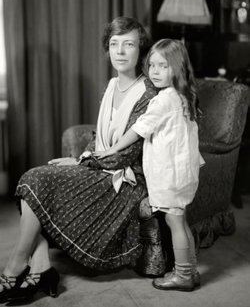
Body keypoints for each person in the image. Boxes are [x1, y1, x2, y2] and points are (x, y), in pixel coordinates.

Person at [0, 16, 158, 303]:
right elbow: (101, 137)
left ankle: (15, 266)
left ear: (141, 50)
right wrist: (83, 156)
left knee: (35, 180)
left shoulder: (148, 94)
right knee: (34, 178)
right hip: (102, 169)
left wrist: (82, 163)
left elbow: (127, 153)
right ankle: (41, 267)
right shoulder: (112, 86)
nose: (120, 52)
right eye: (114, 44)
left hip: (126, 182)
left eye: (129, 44)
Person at [94, 39, 205, 291]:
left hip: (170, 175)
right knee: (181, 220)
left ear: (177, 68)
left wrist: (113, 147)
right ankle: (191, 270)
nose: (154, 71)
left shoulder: (163, 100)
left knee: (174, 222)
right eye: (151, 65)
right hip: (185, 173)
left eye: (162, 66)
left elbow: (138, 130)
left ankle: (183, 275)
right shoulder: (183, 96)